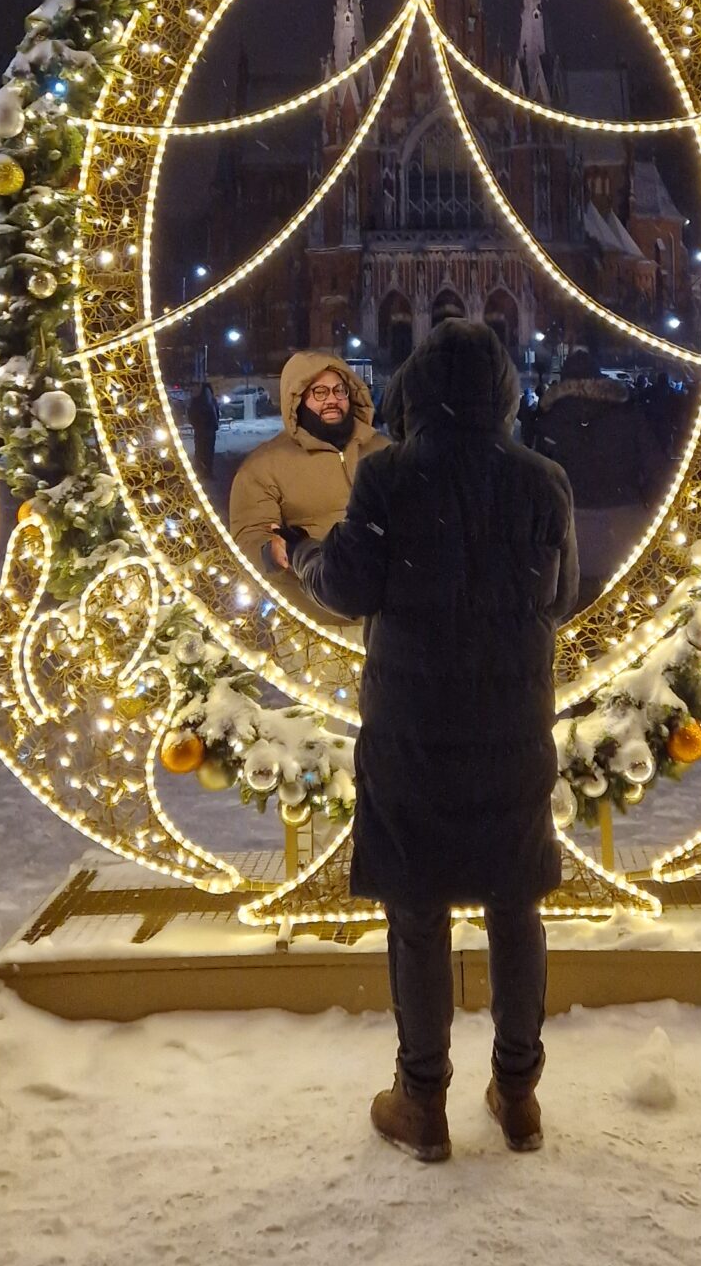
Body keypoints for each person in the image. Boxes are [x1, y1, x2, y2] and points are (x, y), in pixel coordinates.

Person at [283, 322, 578, 1164]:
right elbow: (560, 595)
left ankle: (423, 1102)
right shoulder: (543, 480)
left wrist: (303, 556)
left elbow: (345, 587)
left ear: (414, 390)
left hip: (415, 731)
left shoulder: (387, 477)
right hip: (512, 726)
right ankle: (519, 1096)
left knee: (417, 913)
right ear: (505, 392)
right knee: (515, 905)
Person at [227, 350, 387, 621]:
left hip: (388, 621)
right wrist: (271, 550)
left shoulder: (384, 451)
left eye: (339, 390)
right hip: (313, 624)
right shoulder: (264, 465)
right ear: (297, 400)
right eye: (320, 393)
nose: (333, 400)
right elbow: (249, 533)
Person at [529, 345, 665, 600]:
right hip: (625, 523)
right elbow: (657, 468)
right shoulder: (628, 414)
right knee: (629, 610)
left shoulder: (549, 420)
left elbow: (537, 482)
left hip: (570, 530)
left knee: (574, 614)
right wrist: (644, 504)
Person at [186, 377, 220, 485]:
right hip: (203, 430)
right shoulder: (201, 402)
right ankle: (203, 472)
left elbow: (214, 413)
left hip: (206, 429)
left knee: (205, 451)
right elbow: (194, 415)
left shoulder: (201, 401)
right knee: (203, 451)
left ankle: (205, 472)